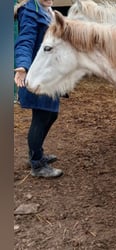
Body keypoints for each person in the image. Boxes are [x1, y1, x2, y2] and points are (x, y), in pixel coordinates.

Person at [14, 0, 63, 178]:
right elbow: (25, 41)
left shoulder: (48, 11)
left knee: (51, 114)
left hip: (50, 74)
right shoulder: (30, 11)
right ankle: (37, 164)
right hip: (37, 73)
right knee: (41, 116)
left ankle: (36, 152)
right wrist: (22, 66)